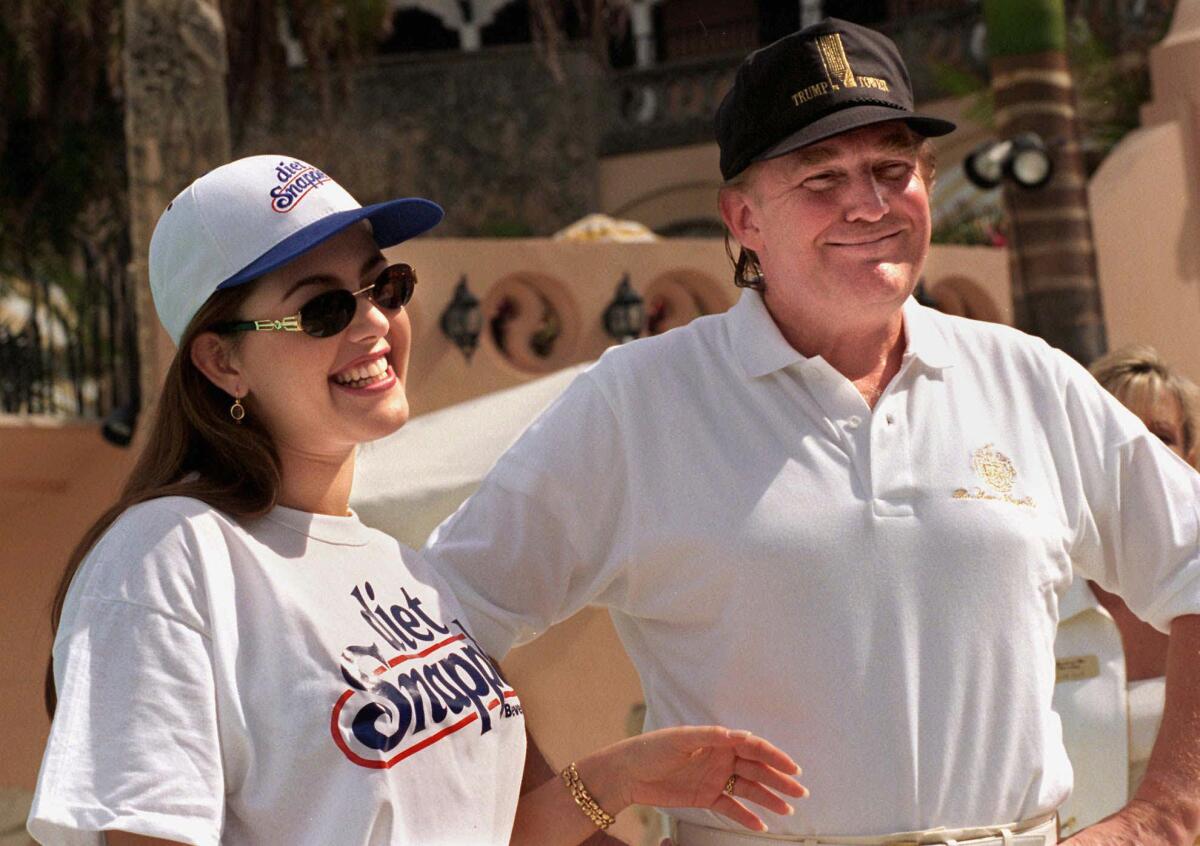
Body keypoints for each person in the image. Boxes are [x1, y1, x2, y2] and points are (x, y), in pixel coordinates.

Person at [420, 18, 1200, 846]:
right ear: (743, 218)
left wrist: (1166, 815)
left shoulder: (1028, 377)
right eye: (821, 177)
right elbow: (435, 625)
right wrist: (576, 820)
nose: (867, 203)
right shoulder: (638, 403)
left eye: (891, 169)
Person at [26, 155, 808, 846]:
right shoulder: (167, 558)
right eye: (323, 308)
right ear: (222, 360)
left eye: (384, 285)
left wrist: (619, 778)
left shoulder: (404, 571)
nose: (373, 321)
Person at [1053, 345, 1200, 836]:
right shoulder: (1034, 599)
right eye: (1120, 435)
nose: (1144, 456)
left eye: (1161, 436)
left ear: (1190, 457)